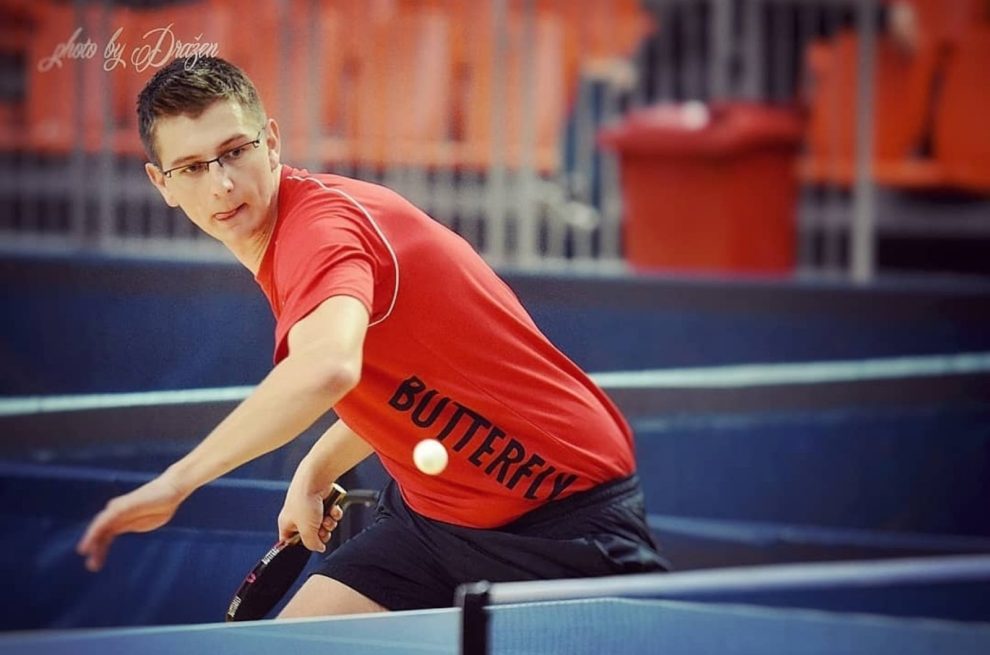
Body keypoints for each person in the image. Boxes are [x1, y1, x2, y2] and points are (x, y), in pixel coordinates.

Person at [76, 56, 666, 617]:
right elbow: (403, 381)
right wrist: (316, 467)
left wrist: (176, 484)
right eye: (192, 167)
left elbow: (328, 367)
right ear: (162, 183)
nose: (222, 184)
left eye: (235, 151)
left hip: (561, 514)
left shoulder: (321, 232)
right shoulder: (284, 242)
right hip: (431, 520)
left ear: (271, 142)